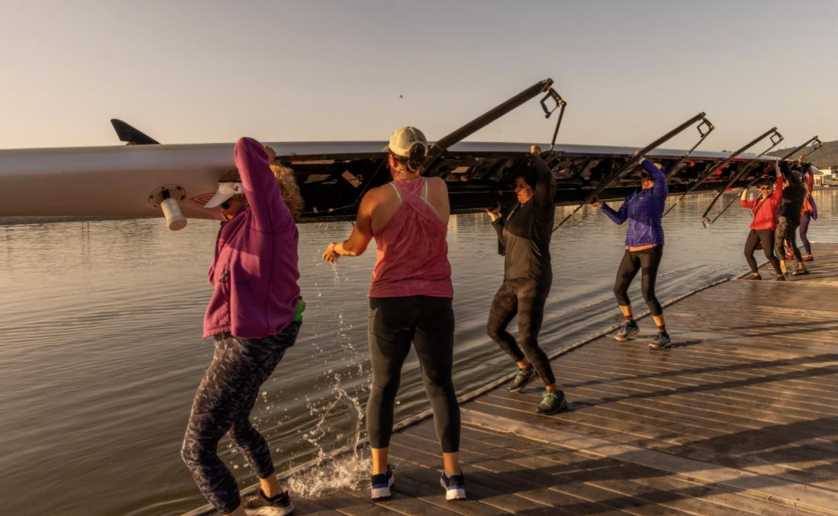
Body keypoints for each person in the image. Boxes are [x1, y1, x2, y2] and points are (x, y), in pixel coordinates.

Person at [322, 127, 465, 501]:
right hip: (436, 300)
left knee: (384, 387)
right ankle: (453, 479)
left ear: (391, 160)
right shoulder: (441, 189)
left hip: (389, 302)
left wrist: (335, 246)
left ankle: (379, 479)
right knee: (440, 386)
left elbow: (355, 247)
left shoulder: (375, 198)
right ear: (422, 157)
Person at [181, 138, 304, 516]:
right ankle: (273, 497)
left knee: (196, 449)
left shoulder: (271, 222)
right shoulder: (239, 228)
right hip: (242, 340)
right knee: (237, 425)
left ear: (250, 194)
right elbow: (222, 266)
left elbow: (246, 148)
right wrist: (212, 196)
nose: (221, 213)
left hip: (250, 343)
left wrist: (264, 160)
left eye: (227, 203)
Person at [484, 145, 567, 415]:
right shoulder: (514, 210)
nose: (517, 190)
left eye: (521, 186)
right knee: (494, 330)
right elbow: (505, 247)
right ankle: (524, 366)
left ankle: (554, 392)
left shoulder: (540, 208)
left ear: (533, 188)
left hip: (533, 278)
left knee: (528, 339)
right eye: (516, 186)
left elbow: (546, 178)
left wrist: (535, 158)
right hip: (511, 279)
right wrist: (496, 219)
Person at [590, 153, 671, 349]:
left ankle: (663, 335)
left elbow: (659, 177)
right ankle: (630, 323)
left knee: (647, 293)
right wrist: (601, 205)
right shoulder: (632, 195)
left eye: (650, 177)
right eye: (644, 177)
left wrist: (641, 159)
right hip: (631, 249)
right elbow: (619, 219)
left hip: (651, 247)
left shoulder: (658, 193)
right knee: (619, 289)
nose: (647, 180)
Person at [739, 160, 785, 281]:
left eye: (767, 188)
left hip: (767, 230)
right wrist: (747, 188)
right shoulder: (756, 201)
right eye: (763, 188)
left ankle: (780, 275)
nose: (765, 190)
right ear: (760, 189)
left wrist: (776, 167)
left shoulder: (775, 199)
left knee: (769, 254)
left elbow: (779, 182)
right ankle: (756, 274)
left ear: (771, 188)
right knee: (747, 253)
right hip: (754, 230)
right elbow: (743, 203)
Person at [774, 161, 810, 276]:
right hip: (794, 220)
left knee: (778, 243)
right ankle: (801, 266)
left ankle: (783, 268)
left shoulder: (796, 189)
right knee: (791, 243)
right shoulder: (801, 189)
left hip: (786, 220)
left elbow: (790, 175)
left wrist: (783, 165)